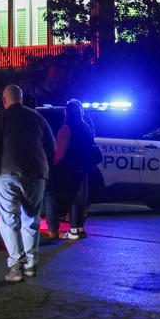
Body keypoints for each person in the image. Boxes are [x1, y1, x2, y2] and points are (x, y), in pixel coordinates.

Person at [0, 85, 54, 282]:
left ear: (4, 99)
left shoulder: (0, 117)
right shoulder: (37, 117)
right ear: (21, 99)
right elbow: (51, 146)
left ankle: (16, 266)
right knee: (31, 220)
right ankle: (31, 265)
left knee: (9, 220)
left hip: (7, 174)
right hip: (36, 175)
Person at [51, 100, 94, 240]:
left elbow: (61, 150)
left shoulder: (66, 127)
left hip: (70, 167)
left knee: (72, 198)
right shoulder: (85, 126)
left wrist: (55, 161)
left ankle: (74, 230)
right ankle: (80, 228)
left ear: (67, 112)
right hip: (84, 166)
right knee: (81, 198)